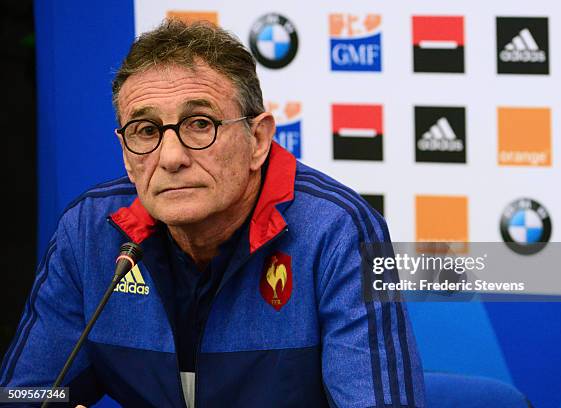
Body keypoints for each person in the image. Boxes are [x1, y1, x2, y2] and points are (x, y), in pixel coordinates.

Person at [0, 20, 424, 407]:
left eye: (199, 124)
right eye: (146, 131)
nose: (170, 157)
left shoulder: (338, 231)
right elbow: (27, 394)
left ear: (258, 140)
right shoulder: (89, 232)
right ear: (126, 157)